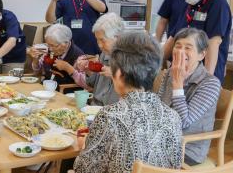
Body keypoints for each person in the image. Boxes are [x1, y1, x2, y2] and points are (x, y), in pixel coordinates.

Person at [73, 31, 182, 173]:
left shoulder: (109, 116)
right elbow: (176, 165)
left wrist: (85, 145)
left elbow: (83, 169)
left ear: (118, 74)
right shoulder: (173, 116)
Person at [158, 28, 221, 166]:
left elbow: (183, 122)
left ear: (201, 54)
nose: (181, 51)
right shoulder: (170, 72)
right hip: (162, 139)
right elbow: (158, 106)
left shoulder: (210, 83)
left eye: (188, 47)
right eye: (178, 46)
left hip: (188, 149)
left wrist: (178, 84)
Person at [163, 0, 232, 83]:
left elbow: (213, 43)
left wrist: (206, 81)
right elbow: (172, 38)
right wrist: (154, 63)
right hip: (182, 73)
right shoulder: (189, 5)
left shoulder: (217, 4)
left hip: (203, 76)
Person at [74, 13, 123, 106]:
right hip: (95, 107)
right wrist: (87, 70)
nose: (99, 45)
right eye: (97, 40)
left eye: (103, 40)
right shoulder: (104, 55)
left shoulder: (133, 59)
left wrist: (116, 75)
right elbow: (92, 84)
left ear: (117, 38)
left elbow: (137, 91)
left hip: (114, 112)